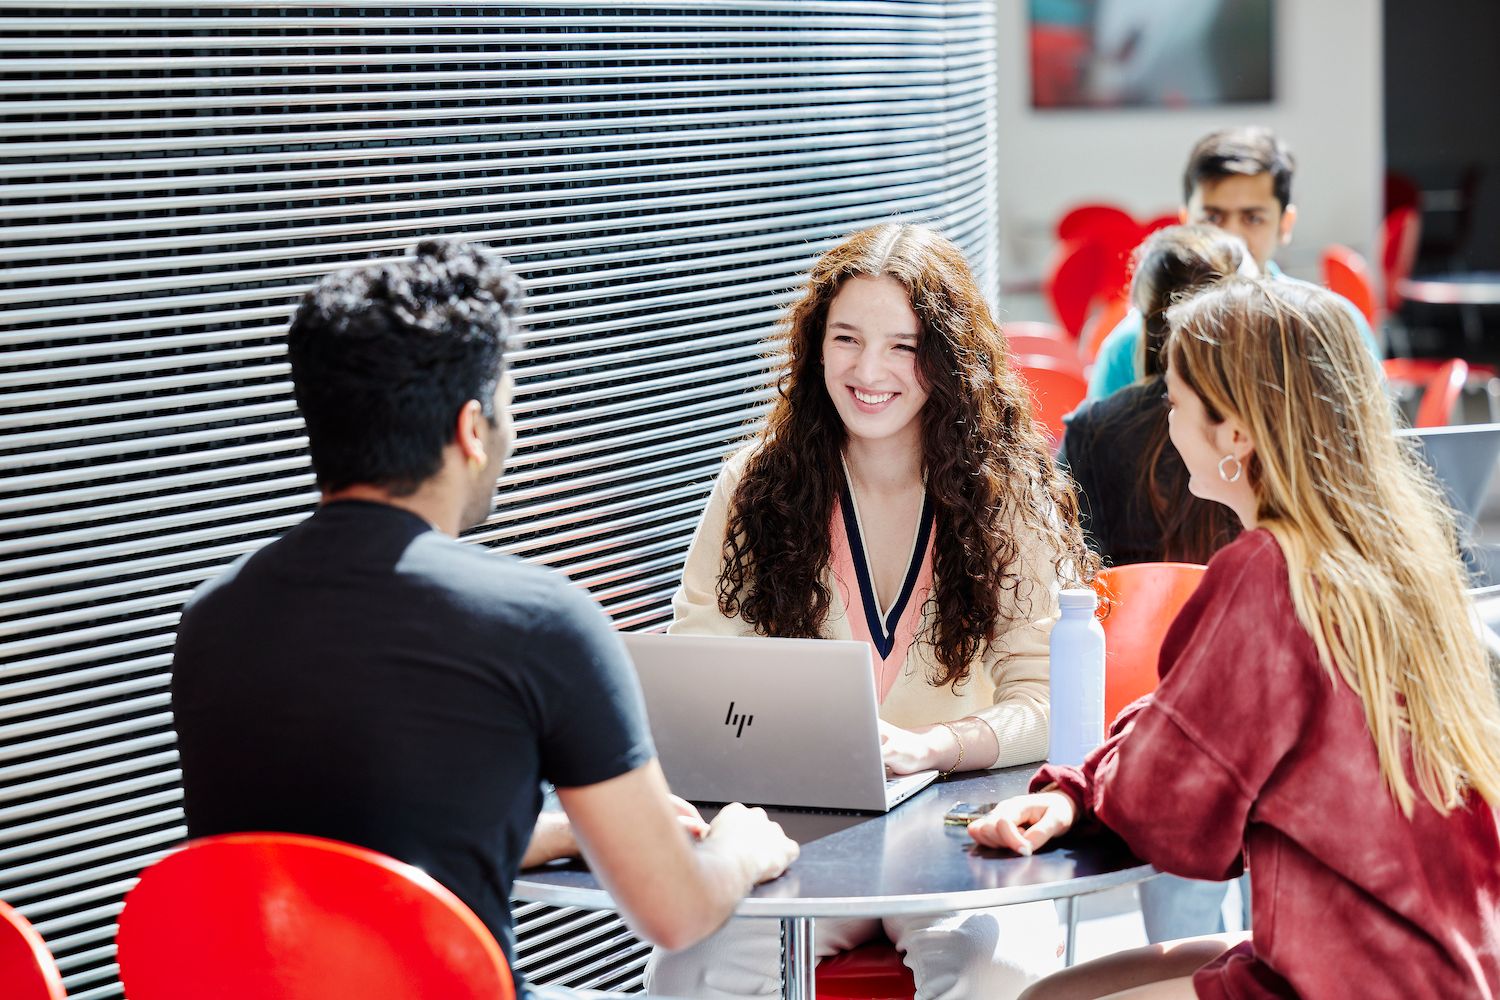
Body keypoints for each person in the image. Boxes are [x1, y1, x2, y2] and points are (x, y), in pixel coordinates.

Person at [170, 239, 800, 999]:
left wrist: (558, 832)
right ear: (472, 429)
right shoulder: (538, 623)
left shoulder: (215, 620)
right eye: (508, 402)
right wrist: (740, 845)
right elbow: (677, 912)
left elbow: (336, 850)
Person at [970, 278, 1500, 999]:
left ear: (1237, 434)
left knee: (1043, 995)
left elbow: (1174, 813)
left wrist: (1081, 789)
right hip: (1440, 961)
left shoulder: (1267, 573)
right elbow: (1186, 742)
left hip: (1343, 973)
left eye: (1177, 401)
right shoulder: (1393, 558)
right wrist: (1082, 792)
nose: (1166, 419)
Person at [645, 223, 1098, 999]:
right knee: (689, 968)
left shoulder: (1007, 494)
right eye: (847, 338)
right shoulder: (755, 482)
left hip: (964, 837)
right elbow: (699, 666)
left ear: (947, 358)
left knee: (999, 975)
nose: (868, 370)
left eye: (903, 345)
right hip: (798, 834)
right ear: (816, 347)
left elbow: (1049, 702)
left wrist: (937, 747)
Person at [1086, 126, 1380, 401]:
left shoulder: (1332, 328)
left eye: (1253, 218)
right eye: (1213, 218)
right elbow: (1097, 447)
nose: (1232, 237)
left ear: (1285, 224)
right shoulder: (1130, 346)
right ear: (1186, 221)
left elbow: (1374, 445)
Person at [1061, 225, 1246, 567]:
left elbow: (1070, 570)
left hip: (1124, 618)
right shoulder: (1274, 425)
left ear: (1144, 321)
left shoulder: (1090, 432)